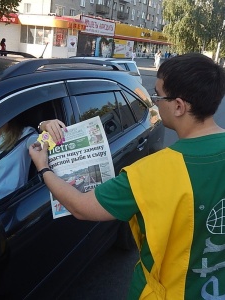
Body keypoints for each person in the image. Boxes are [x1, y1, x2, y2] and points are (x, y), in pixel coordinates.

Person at [29, 53, 225, 299]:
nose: (154, 103)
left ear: (178, 106)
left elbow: (81, 207)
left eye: (157, 95)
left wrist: (43, 167)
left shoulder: (152, 172)